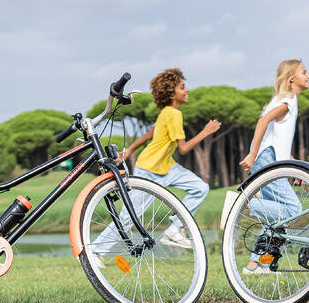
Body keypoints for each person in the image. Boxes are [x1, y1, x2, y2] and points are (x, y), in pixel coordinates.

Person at [91, 67, 221, 265]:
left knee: (200, 187)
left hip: (168, 167)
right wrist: (206, 131)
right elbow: (184, 149)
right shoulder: (173, 114)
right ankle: (97, 251)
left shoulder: (167, 113)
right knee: (130, 215)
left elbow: (149, 134)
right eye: (182, 87)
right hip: (150, 170)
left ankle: (173, 230)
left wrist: (129, 151)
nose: (187, 90)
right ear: (171, 93)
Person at [238, 59, 309, 275]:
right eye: (304, 72)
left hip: (270, 158)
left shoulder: (286, 100)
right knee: (293, 210)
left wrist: (293, 164)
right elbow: (262, 123)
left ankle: (255, 264)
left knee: (277, 219)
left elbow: (276, 138)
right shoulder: (286, 101)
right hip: (265, 160)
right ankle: (246, 203)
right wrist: (252, 156)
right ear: (292, 78)